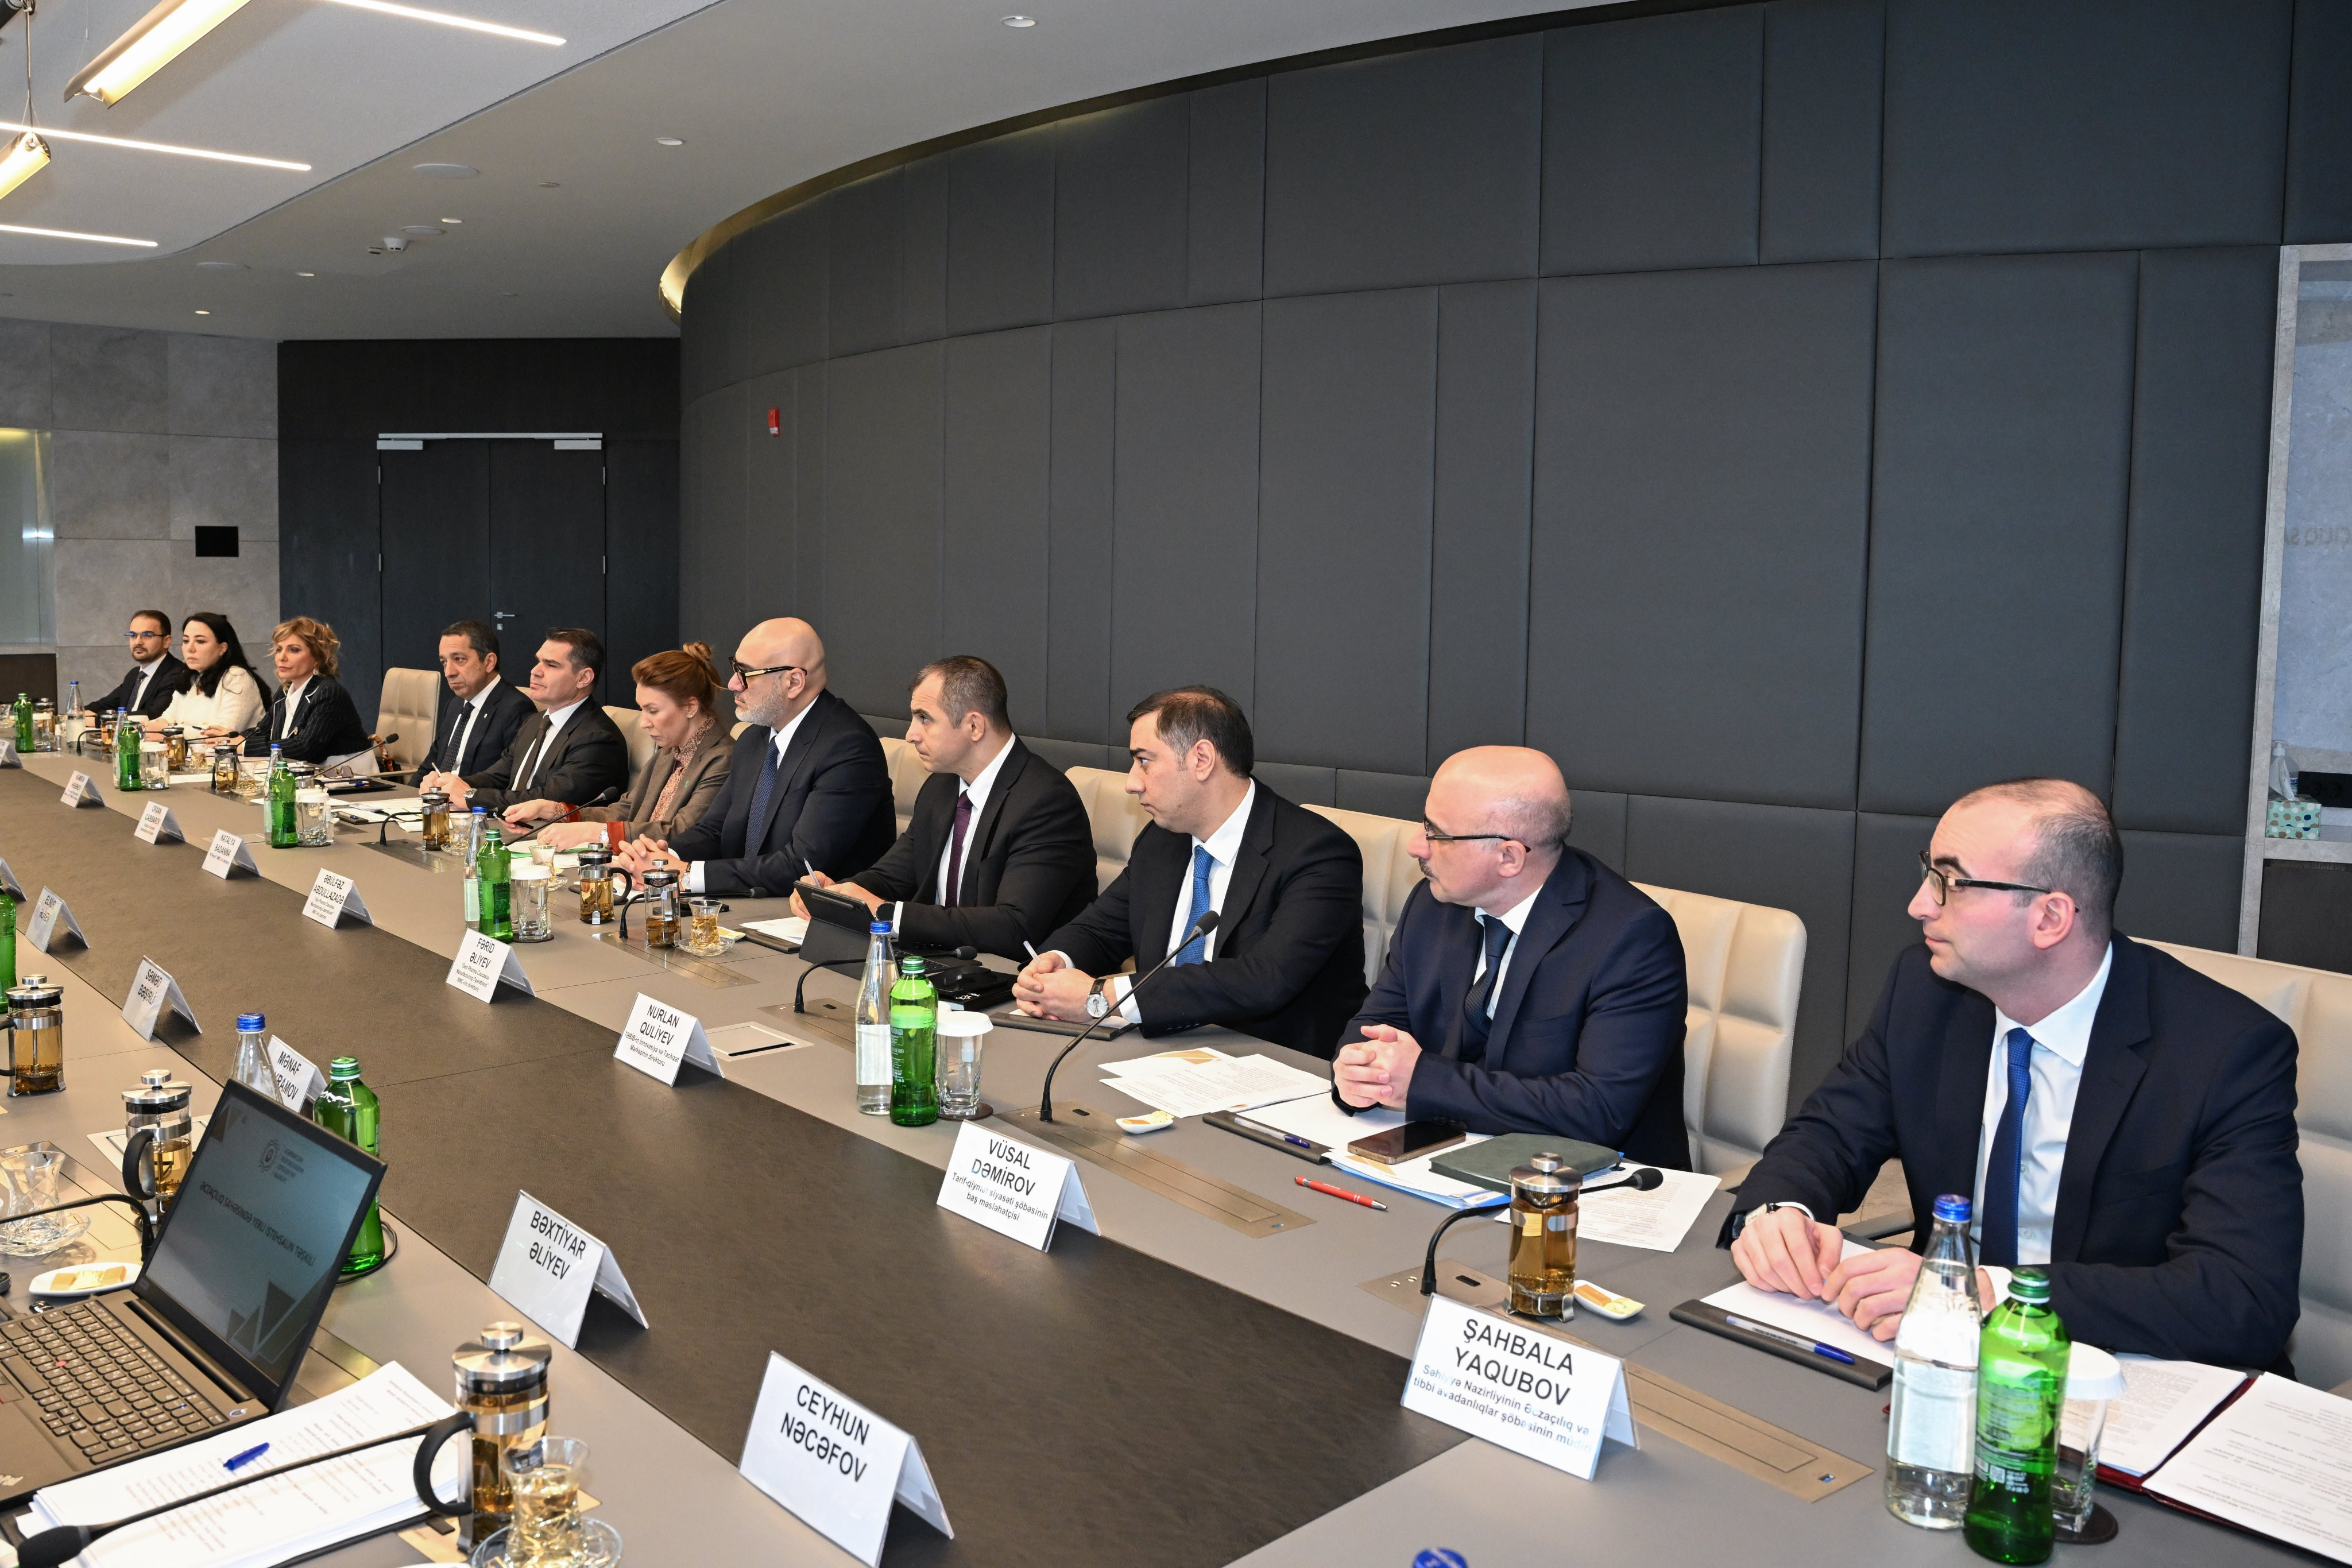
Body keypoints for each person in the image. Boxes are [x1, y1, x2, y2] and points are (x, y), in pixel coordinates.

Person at [1724, 779, 2303, 1369]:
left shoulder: (2224, 1052)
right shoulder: (1926, 992)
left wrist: (1986, 1293)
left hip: (2108, 1369)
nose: (1919, 905)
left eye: (1950, 882)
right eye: (1928, 872)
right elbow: (1828, 1133)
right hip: (1929, 1364)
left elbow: (2244, 1297)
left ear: (2050, 917)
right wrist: (1780, 1212)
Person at [1332, 747, 1689, 1168]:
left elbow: (1597, 1110)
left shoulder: (1631, 937)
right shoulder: (1434, 904)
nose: (1416, 846)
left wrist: (1421, 1081)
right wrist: (1359, 1072)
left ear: (1509, 857)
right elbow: (1376, 1025)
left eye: (1436, 834)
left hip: (1589, 1182)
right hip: (1446, 1156)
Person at [1013, 687, 1366, 1057]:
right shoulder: (1162, 839)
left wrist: (1103, 997)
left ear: (1202, 759)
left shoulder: (1317, 854)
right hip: (1159, 1052)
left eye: (1144, 761)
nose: (1132, 783)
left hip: (1273, 1062)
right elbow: (1100, 929)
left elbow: (1265, 979)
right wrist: (1055, 963)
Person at [800, 655, 1094, 961]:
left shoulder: (1046, 802)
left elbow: (1014, 927)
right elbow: (892, 878)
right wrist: (837, 895)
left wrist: (887, 912)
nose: (911, 735)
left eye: (924, 719)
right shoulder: (941, 787)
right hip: (943, 962)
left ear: (974, 726)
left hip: (1016, 975)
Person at [618, 618, 893, 896]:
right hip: (752, 900)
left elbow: (801, 865)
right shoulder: (754, 739)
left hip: (806, 911)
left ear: (794, 682)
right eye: (735, 668)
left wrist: (686, 874)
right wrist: (661, 858)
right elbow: (715, 830)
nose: (733, 684)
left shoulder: (848, 747)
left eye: (746, 673)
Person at [507, 644, 734, 848]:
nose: (644, 723)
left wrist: (596, 833)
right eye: (642, 709)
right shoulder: (667, 754)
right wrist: (553, 811)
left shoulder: (723, 759)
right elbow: (626, 810)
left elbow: (685, 833)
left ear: (691, 707)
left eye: (653, 711)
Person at [432, 630, 628, 815]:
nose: (535, 671)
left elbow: (548, 800)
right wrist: (447, 785)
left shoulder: (597, 738)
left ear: (583, 678)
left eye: (551, 665)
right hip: (512, 825)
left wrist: (470, 796)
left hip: (548, 834)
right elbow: (498, 776)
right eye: (538, 661)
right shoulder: (535, 721)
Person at [411, 621, 532, 783]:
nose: (448, 673)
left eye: (459, 659)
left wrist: (458, 790)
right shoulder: (455, 705)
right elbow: (430, 765)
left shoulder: (516, 708)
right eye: (444, 662)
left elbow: (510, 778)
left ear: (489, 662)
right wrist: (408, 794)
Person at [244, 617, 370, 764]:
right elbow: (261, 731)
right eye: (279, 649)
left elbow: (303, 748)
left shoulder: (329, 693)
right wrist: (231, 741)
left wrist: (245, 746)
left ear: (318, 657)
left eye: (294, 650)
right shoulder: (284, 691)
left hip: (347, 774)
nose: (282, 657)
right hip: (306, 773)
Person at [148, 613, 268, 738]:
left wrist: (170, 732)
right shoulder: (191, 676)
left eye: (200, 641)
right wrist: (146, 726)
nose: (190, 648)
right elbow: (167, 718)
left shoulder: (237, 676)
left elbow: (223, 734)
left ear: (222, 648)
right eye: (186, 641)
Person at [82, 610, 190, 720]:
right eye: (133, 635)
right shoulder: (134, 675)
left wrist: (99, 720)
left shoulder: (178, 674)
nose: (138, 642)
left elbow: (153, 715)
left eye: (147, 635)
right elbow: (103, 705)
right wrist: (78, 714)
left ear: (166, 641)